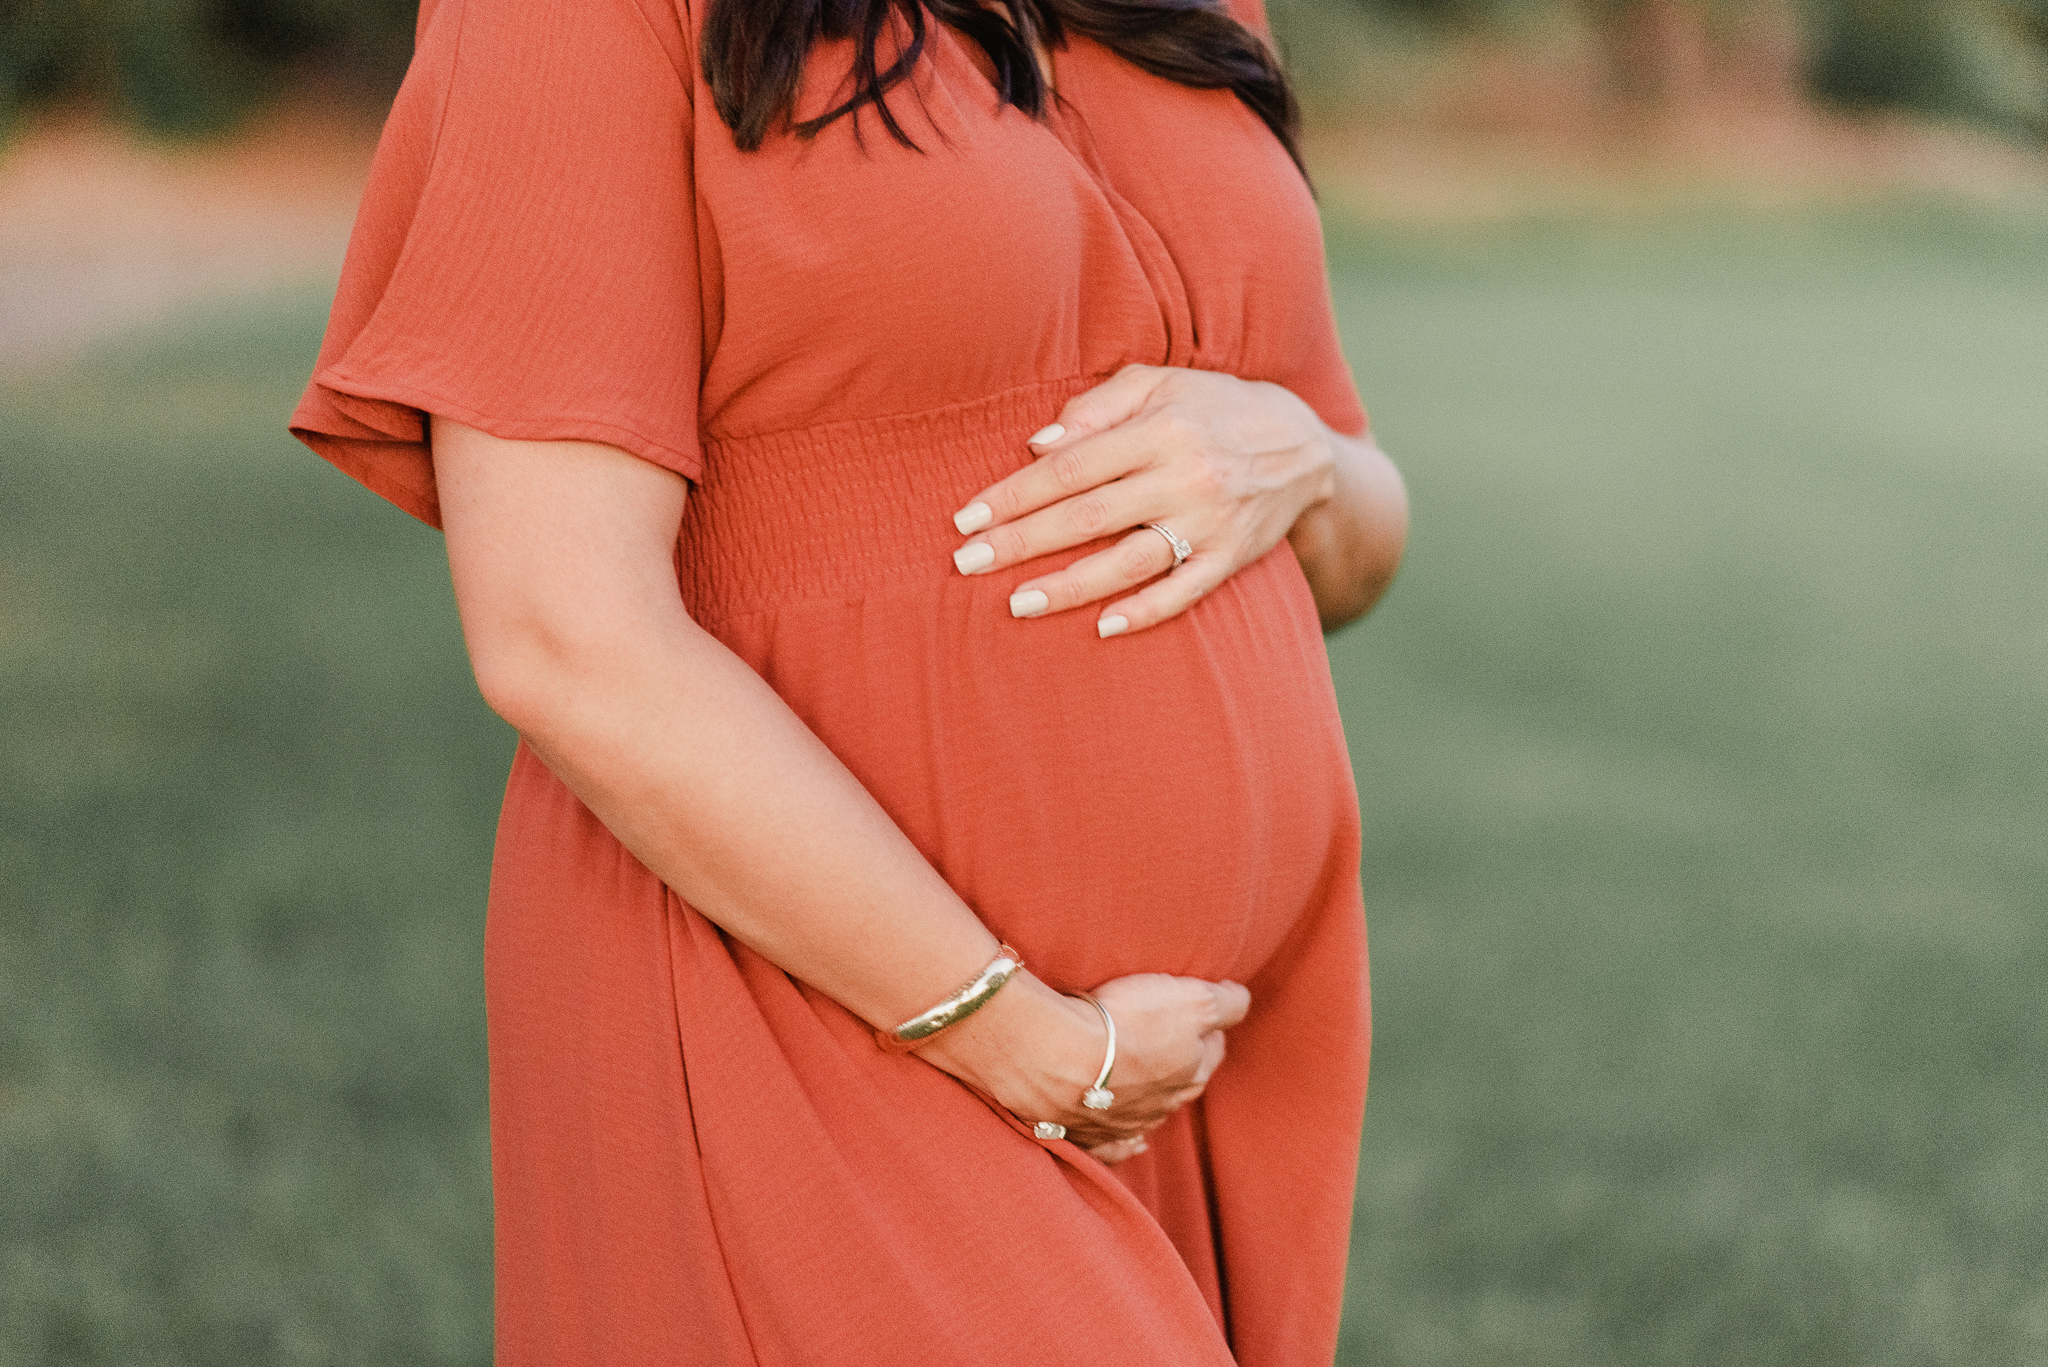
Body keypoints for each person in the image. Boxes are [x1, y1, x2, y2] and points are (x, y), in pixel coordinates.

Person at [291, 0, 1407, 1361]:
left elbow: (1356, 542)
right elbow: (562, 634)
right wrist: (1025, 1044)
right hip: (818, 1015)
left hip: (1197, 1058)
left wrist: (1293, 451)